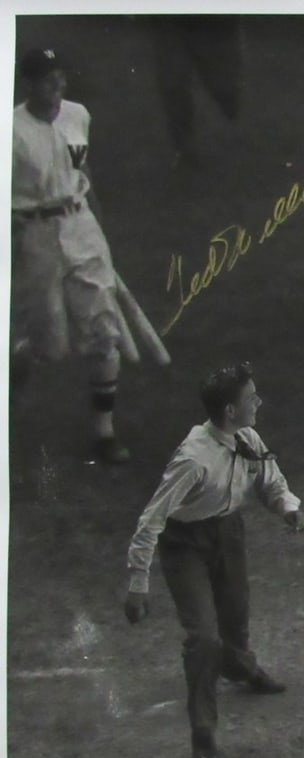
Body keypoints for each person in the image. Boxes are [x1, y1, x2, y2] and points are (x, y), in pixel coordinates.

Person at [124, 362, 304, 758]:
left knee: (235, 613)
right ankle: (204, 733)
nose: (258, 402)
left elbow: (269, 478)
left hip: (229, 534)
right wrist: (139, 582)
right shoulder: (193, 460)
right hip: (186, 544)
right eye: (251, 399)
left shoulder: (246, 436)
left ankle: (240, 666)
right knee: (205, 637)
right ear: (230, 410)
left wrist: (288, 508)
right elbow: (151, 519)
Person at [10, 48, 131, 463]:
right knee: (47, 344)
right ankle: (13, 377)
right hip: (34, 231)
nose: (58, 84)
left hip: (80, 226)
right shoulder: (11, 130)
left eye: (61, 75)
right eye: (48, 78)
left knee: (103, 332)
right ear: (29, 84)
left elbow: (83, 170)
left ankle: (104, 433)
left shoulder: (77, 115)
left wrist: (98, 229)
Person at [149, 15, 244, 169]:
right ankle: (185, 149)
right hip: (169, 19)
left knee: (223, 85)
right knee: (173, 81)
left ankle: (228, 94)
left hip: (211, 20)